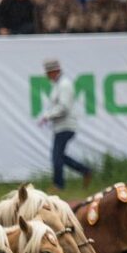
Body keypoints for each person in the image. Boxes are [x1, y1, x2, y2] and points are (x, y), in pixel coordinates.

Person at [39, 59, 91, 190]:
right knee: (60, 156)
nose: (46, 75)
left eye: (48, 72)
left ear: (55, 71)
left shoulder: (64, 85)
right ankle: (85, 171)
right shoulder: (58, 85)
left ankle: (58, 184)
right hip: (60, 126)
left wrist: (47, 116)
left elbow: (64, 107)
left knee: (56, 156)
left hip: (66, 126)